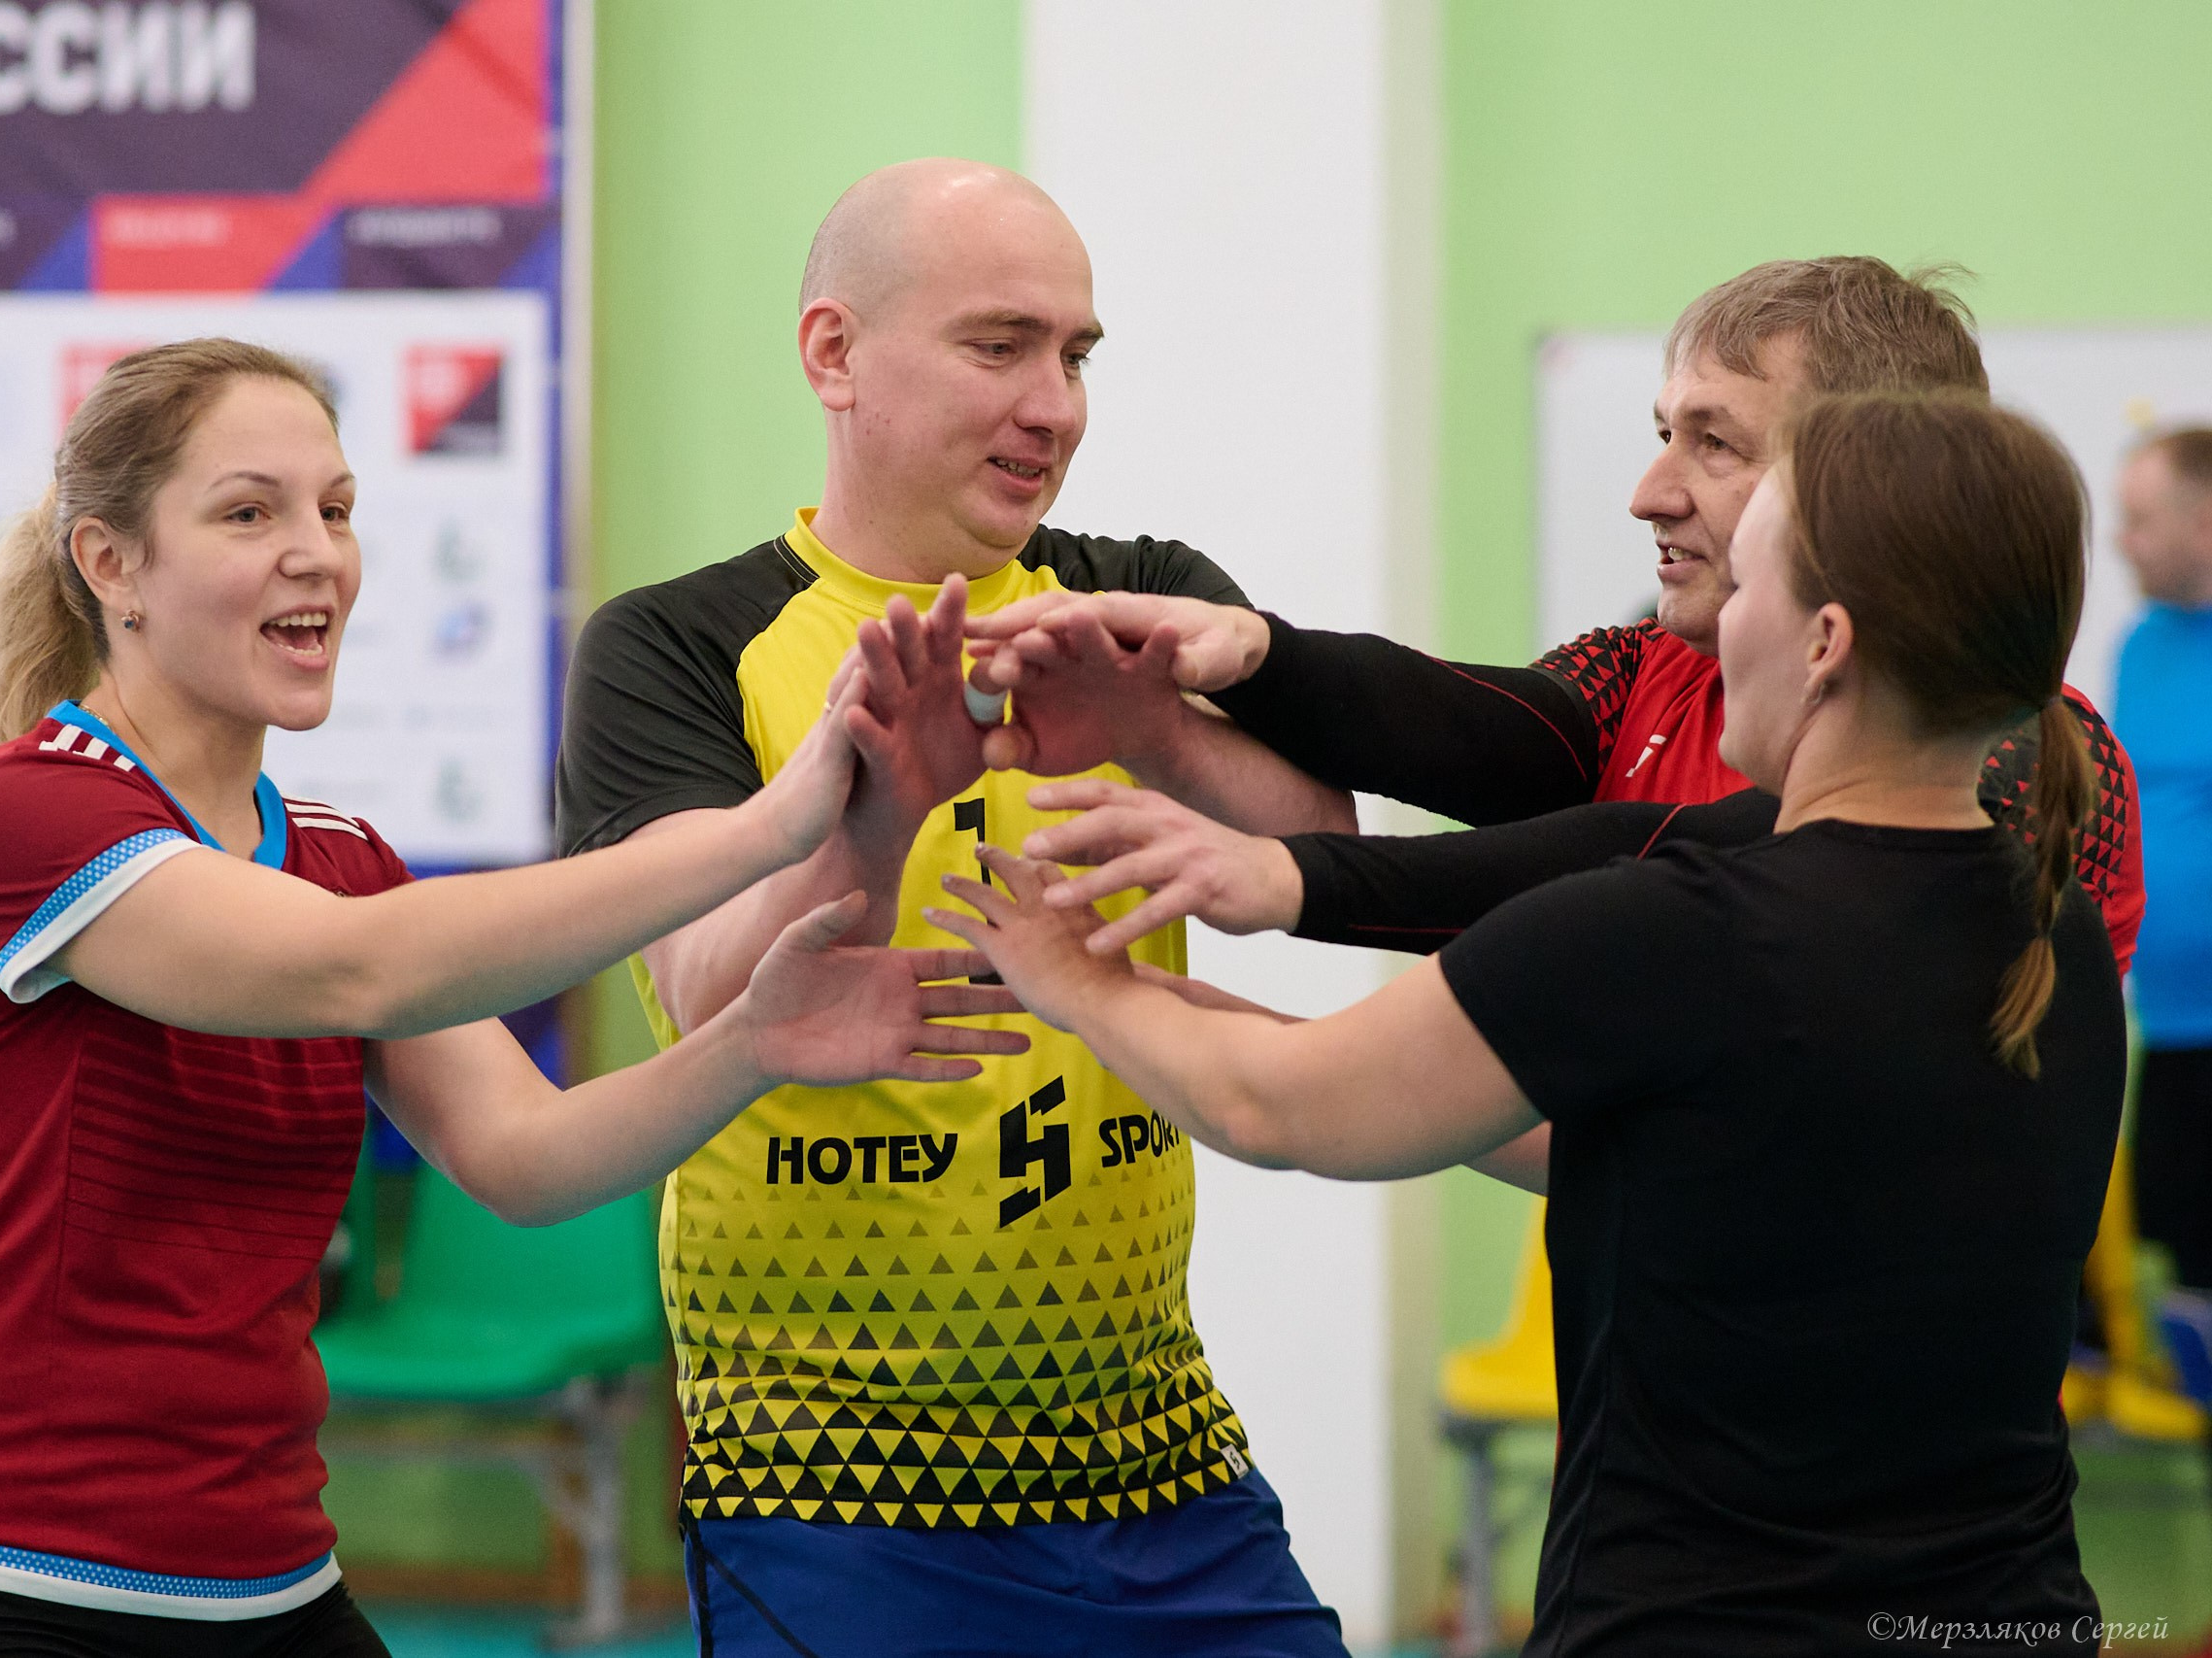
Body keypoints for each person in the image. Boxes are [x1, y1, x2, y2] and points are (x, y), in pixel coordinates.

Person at [0, 338, 1025, 1658]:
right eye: (249, 512)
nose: (316, 553)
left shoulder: (339, 858)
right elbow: (361, 965)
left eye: (336, 509)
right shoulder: (28, 809)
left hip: (265, 1586)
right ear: (111, 564)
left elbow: (527, 1156)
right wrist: (766, 828)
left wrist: (752, 1041)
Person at [934, 391, 2128, 1656]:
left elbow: (1275, 1103)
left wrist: (1068, 974)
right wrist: (1170, 992)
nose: (1719, 623)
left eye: (1748, 585)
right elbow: (1669, 1152)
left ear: (1824, 641)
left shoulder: (1675, 932)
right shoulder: (2050, 931)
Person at [554, 160, 1352, 1657]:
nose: (1055, 406)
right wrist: (882, 812)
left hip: (1158, 1454)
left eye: (1077, 355)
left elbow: (1326, 857)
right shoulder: (679, 643)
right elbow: (709, 990)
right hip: (829, 1480)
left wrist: (1161, 731)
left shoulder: (1134, 597)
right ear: (835, 352)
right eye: (1000, 346)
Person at [955, 257, 2142, 978]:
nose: (1649, 492)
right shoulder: (1646, 668)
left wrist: (1290, 881)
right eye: (1663, 433)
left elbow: (1685, 871)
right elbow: (1488, 730)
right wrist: (1252, 657)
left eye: (1714, 443)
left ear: (1870, 482)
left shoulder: (2022, 754)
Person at [2114, 432, 2212, 1398]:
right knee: (2185, 1278)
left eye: (2139, 520)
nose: (2121, 541)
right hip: (2170, 1031)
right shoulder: (2138, 646)